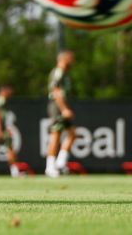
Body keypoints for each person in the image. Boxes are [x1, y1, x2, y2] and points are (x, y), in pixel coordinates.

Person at [45, 50, 77, 178]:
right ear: (63, 59)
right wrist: (63, 109)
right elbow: (55, 90)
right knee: (55, 135)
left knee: (72, 134)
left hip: (62, 105)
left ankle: (60, 163)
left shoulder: (65, 73)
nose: (73, 60)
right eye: (71, 57)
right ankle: (50, 167)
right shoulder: (58, 71)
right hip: (57, 107)